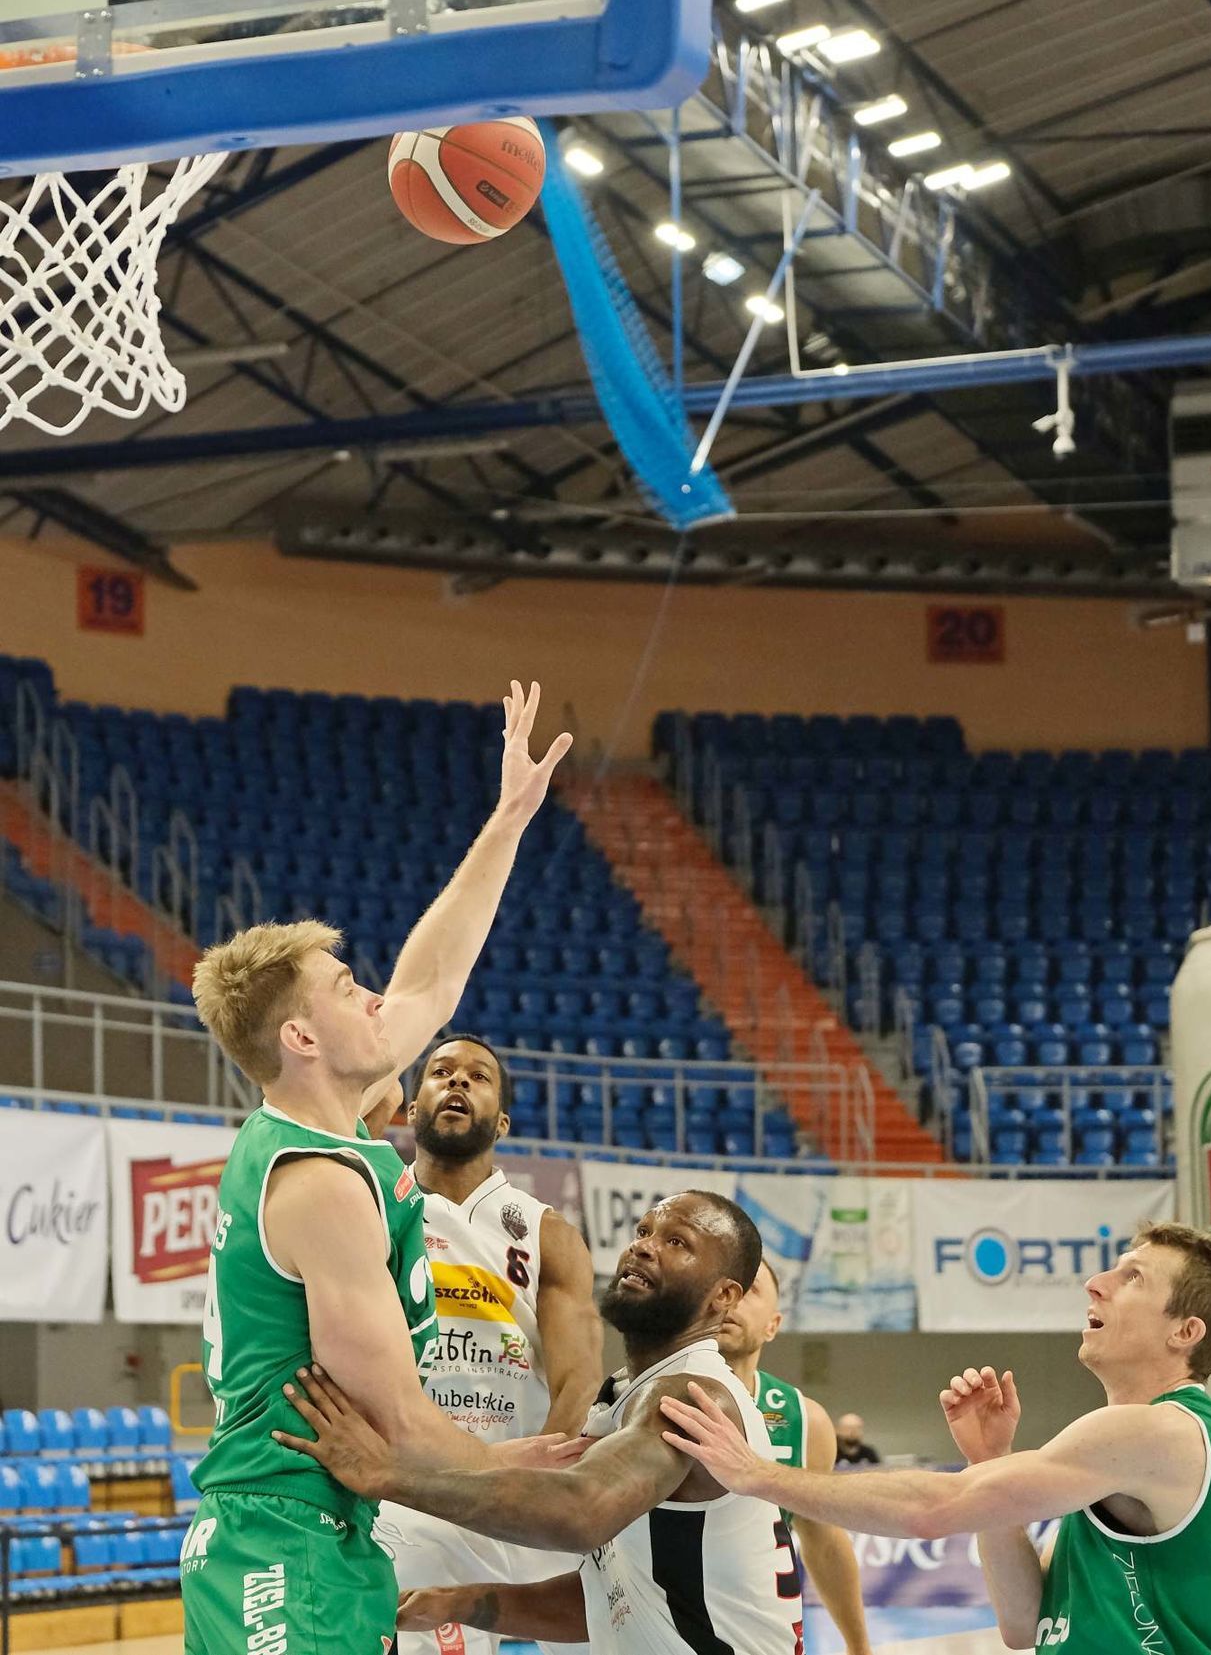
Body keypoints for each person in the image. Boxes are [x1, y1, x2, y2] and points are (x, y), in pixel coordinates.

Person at [182, 680, 574, 1655]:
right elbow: (396, 1421)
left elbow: (432, 981)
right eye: (348, 988)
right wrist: (545, 1491)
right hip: (280, 1543)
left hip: (330, 1534)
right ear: (304, 1033)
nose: (373, 1000)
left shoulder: (342, 1111)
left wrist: (509, 817)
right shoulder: (316, 1184)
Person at [659, 1220, 1211, 1654]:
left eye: (1132, 1277)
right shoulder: (1132, 1452)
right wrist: (988, 1462)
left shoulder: (1158, 1429)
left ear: (1186, 1331)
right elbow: (1026, 1624)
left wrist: (757, 1473)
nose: (1096, 1283)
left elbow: (933, 1509)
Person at [274, 1191, 806, 1655]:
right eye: (644, 1230)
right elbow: (613, 1602)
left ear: (724, 1297)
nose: (644, 1245)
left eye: (677, 1242)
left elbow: (581, 1511)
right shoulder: (630, 1393)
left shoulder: (692, 1395)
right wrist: (458, 1602)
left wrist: (388, 1475)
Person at [373, 1032, 604, 1655]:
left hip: (523, 1496)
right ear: (411, 1106)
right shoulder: (373, 1210)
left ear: (500, 1120)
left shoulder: (545, 1232)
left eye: (477, 1077)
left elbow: (579, 1378)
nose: (457, 1082)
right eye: (441, 1072)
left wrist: (538, 1481)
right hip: (418, 1493)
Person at [718, 1260, 872, 1655]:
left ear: (773, 1324)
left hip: (762, 1633)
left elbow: (823, 1542)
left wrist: (859, 1647)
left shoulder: (806, 1421)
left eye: (749, 1289)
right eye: (718, 1286)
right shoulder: (632, 1395)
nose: (730, 1299)